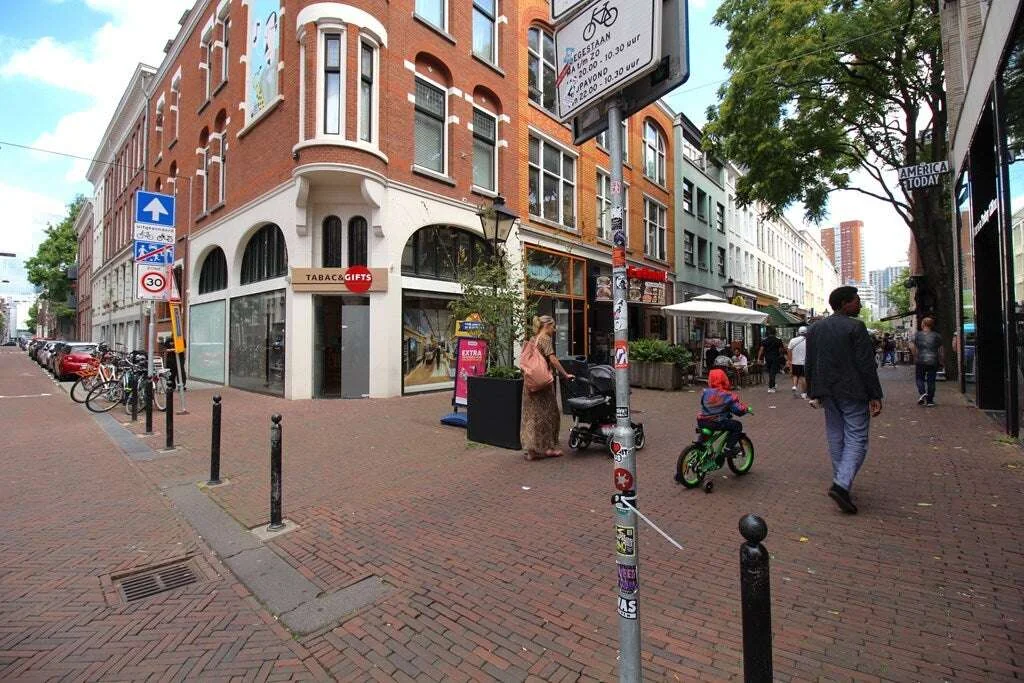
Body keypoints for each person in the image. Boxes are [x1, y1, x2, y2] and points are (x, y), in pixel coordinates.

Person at [805, 286, 883, 514]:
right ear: (844, 303)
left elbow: (810, 361)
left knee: (836, 434)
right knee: (857, 436)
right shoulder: (856, 327)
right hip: (853, 391)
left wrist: (812, 390)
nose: (859, 305)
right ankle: (841, 484)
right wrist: (874, 394)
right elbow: (865, 364)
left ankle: (842, 481)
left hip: (827, 391)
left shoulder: (816, 328)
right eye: (856, 300)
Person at [521, 315, 574, 461]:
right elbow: (553, 359)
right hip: (543, 384)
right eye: (553, 326)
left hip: (530, 384)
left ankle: (531, 450)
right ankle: (549, 448)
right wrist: (565, 374)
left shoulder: (533, 338)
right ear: (547, 326)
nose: (554, 329)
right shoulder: (545, 338)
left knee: (531, 416)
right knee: (550, 415)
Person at [696, 365, 751, 461]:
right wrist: (745, 409)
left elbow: (703, 403)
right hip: (717, 421)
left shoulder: (705, 392)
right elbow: (737, 410)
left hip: (702, 420)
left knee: (706, 433)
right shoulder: (726, 395)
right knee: (737, 426)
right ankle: (728, 448)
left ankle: (699, 447)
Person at [911, 317, 943, 407]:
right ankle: (930, 401)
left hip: (920, 360)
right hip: (933, 361)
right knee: (931, 380)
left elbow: (911, 345)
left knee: (919, 378)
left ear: (923, 324)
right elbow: (941, 349)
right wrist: (941, 360)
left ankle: (922, 393)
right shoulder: (937, 335)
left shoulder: (917, 335)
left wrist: (915, 355)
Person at [757, 327, 784, 393]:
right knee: (773, 373)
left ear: (768, 333)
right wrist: (780, 355)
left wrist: (758, 358)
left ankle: (773, 385)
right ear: (775, 333)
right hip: (775, 358)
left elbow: (761, 349)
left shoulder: (765, 340)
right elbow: (781, 350)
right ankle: (770, 387)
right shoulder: (778, 340)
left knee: (770, 372)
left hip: (767, 358)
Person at [786, 326, 809, 398]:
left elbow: (789, 350)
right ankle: (804, 393)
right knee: (803, 377)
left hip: (795, 361)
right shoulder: (809, 340)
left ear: (798, 332)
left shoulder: (793, 340)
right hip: (805, 362)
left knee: (795, 375)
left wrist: (790, 360)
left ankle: (794, 386)